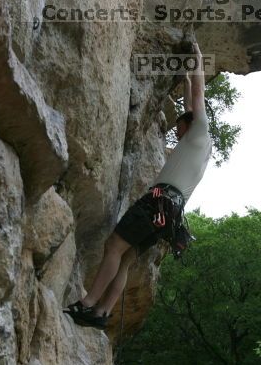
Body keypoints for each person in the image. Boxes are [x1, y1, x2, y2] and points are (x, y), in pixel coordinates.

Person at [64, 41, 212, 329]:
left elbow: (197, 96)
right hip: (169, 214)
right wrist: (184, 73)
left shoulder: (199, 132)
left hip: (157, 201)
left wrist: (197, 57)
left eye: (178, 128)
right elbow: (189, 103)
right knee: (126, 260)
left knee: (113, 247)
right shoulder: (200, 151)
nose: (175, 132)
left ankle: (86, 304)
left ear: (187, 126)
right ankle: (102, 313)